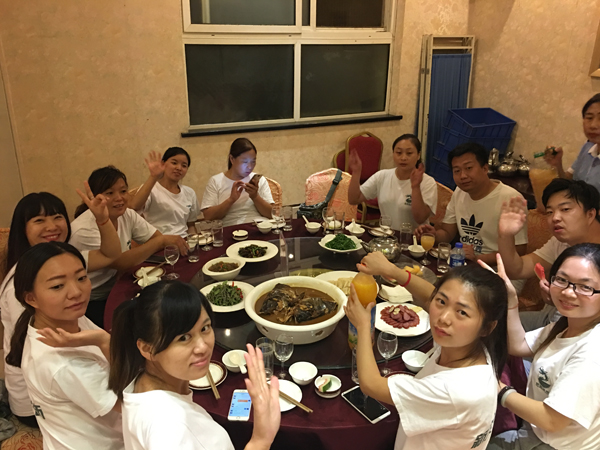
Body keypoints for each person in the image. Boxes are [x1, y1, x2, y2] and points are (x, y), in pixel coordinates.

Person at [345, 251, 507, 449]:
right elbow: (429, 296)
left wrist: (363, 326)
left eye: (462, 312)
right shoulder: (470, 344)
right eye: (442, 301)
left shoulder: (455, 391)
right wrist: (392, 270)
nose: (443, 318)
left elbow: (371, 385)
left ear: (487, 327)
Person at [108, 280, 280, 449]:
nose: (202, 347)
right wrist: (261, 440)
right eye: (183, 338)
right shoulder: (170, 429)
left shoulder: (141, 382)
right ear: (147, 349)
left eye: (205, 328)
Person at [0, 188, 121, 427]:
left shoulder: (59, 261)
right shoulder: (21, 285)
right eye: (39, 220)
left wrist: (102, 220)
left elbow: (111, 255)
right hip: (35, 402)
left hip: (70, 380)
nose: (52, 226)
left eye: (57, 217)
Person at [5, 242, 123, 449]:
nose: (76, 292)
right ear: (31, 298)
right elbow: (137, 404)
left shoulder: (62, 318)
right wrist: (103, 340)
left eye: (81, 278)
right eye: (57, 286)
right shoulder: (63, 364)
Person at [487, 245, 600, 450]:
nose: (568, 292)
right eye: (562, 280)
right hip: (537, 432)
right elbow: (519, 345)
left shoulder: (592, 352)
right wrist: (511, 299)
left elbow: (552, 420)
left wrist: (499, 389)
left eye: (585, 287)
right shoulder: (570, 323)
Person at [70, 166, 187, 327]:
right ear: (95, 197)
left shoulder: (127, 214)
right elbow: (119, 261)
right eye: (110, 193)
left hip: (121, 283)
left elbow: (156, 237)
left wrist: (160, 241)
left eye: (123, 191)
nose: (119, 198)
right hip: (93, 299)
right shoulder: (85, 229)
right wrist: (160, 241)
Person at [416, 143, 528, 285]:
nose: (463, 176)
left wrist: (478, 258)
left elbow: (519, 250)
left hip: (502, 273)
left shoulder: (510, 198)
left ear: (485, 168)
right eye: (457, 171)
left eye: (469, 168)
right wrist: (433, 235)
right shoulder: (459, 192)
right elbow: (447, 233)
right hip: (466, 266)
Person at [498, 178, 600, 330]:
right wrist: (505, 235)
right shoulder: (561, 242)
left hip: (585, 330)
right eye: (550, 212)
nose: (555, 218)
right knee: (491, 325)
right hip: (552, 318)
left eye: (565, 209)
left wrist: (560, 298)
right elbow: (517, 269)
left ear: (590, 214)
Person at [348, 134, 438, 231]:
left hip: (414, 238)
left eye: (409, 153)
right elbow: (354, 199)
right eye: (399, 153)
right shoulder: (382, 176)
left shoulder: (427, 182)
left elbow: (420, 218)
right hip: (386, 235)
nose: (403, 158)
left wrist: (415, 187)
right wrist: (356, 172)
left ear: (418, 155)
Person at [128, 147, 201, 237]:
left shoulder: (190, 193)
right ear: (163, 164)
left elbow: (191, 225)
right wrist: (153, 177)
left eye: (184, 165)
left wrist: (194, 241)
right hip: (158, 240)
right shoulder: (151, 188)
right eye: (174, 163)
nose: (179, 168)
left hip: (183, 240)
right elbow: (134, 206)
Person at [201, 138, 274, 227]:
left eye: (253, 161)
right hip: (231, 228)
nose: (250, 167)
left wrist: (255, 197)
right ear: (232, 159)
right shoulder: (216, 181)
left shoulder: (259, 180)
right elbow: (208, 217)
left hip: (260, 226)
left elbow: (271, 214)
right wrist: (231, 200)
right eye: (245, 162)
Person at [543, 93, 600, 194]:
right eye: (589, 118)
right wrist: (558, 164)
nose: (593, 125)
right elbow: (569, 182)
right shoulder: (587, 148)